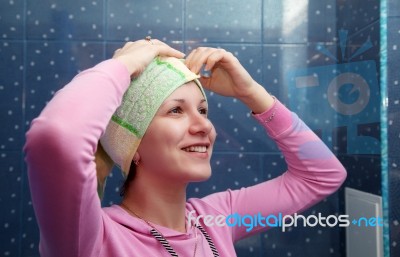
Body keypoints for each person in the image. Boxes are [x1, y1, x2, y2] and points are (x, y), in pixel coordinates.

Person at [24, 38, 347, 257]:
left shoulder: (216, 220)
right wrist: (126, 64)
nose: (204, 126)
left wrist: (251, 93)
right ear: (131, 144)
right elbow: (56, 136)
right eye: (176, 110)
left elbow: (322, 176)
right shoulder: (91, 238)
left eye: (203, 111)